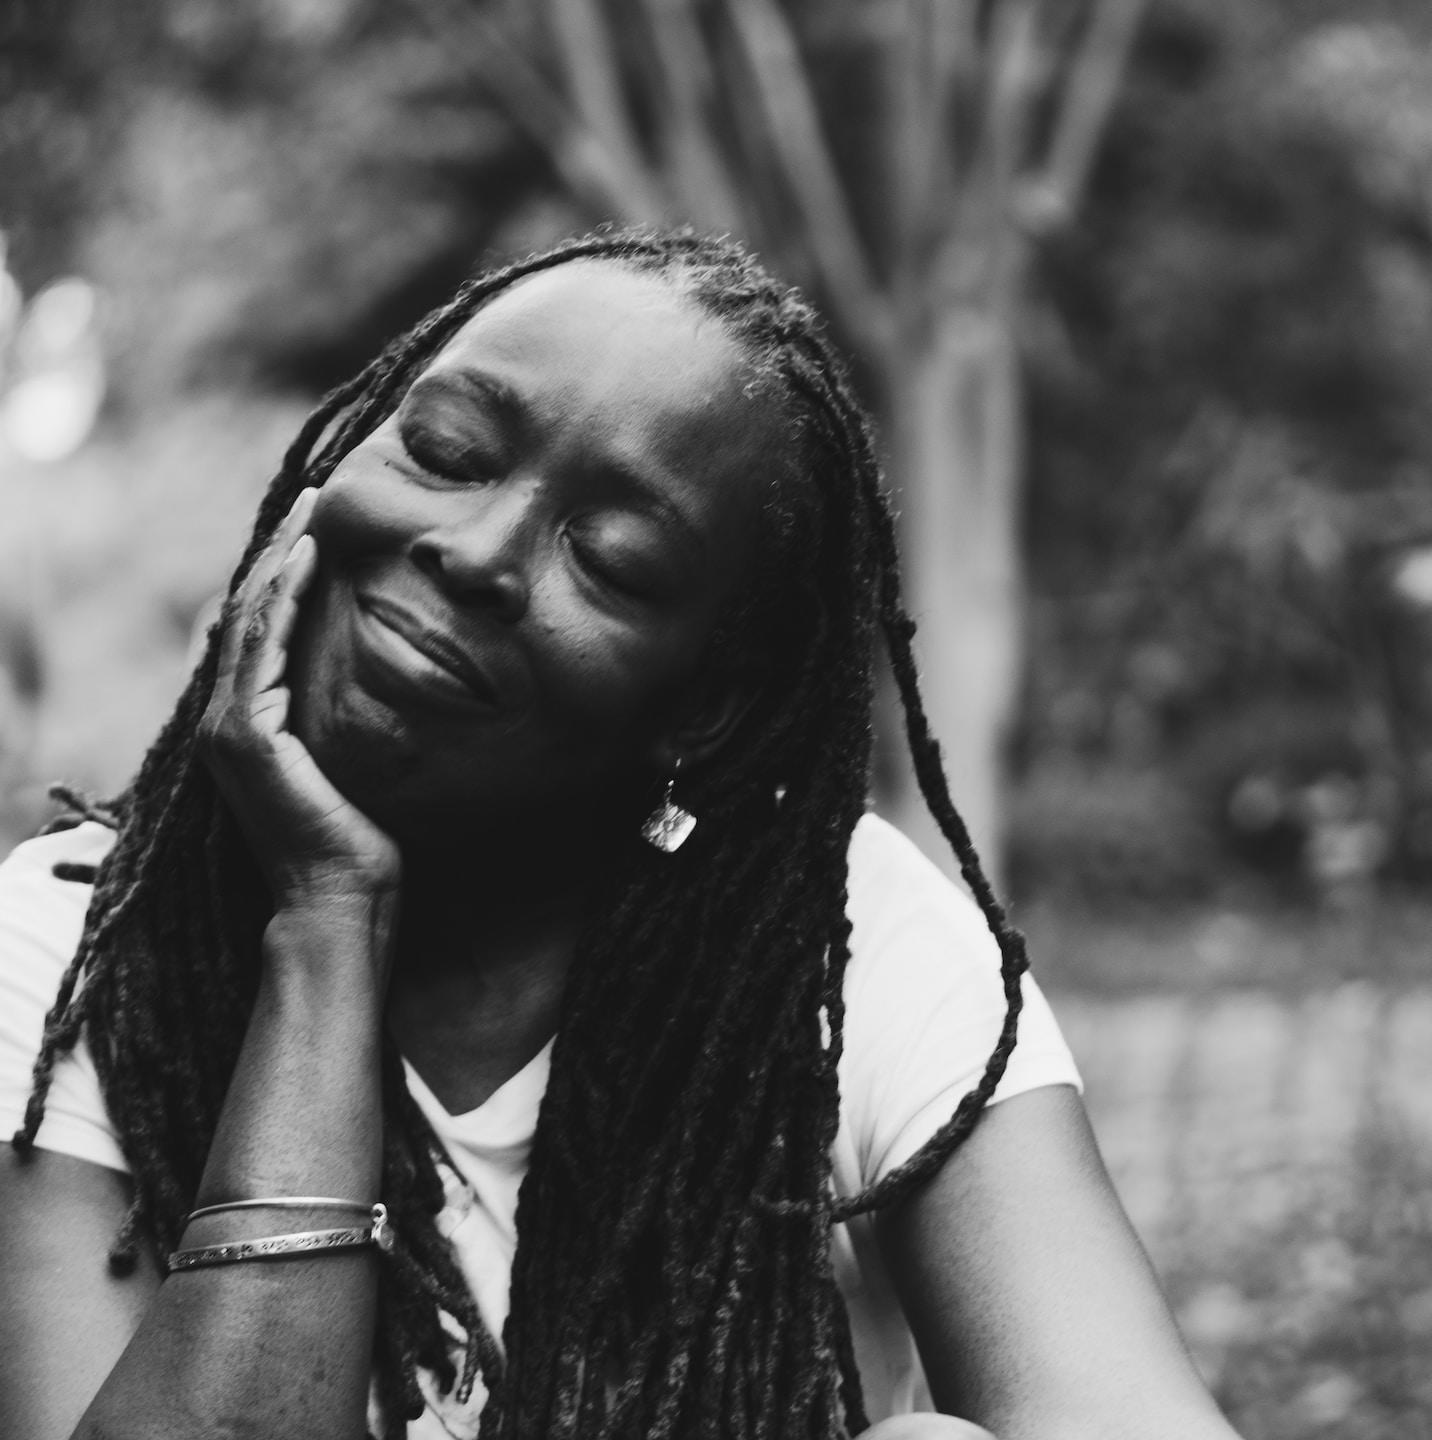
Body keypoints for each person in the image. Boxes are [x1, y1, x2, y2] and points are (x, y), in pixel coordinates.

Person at [0, 230, 1242, 1440]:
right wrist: (325, 926)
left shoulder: (840, 937)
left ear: (698, 710)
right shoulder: (66, 940)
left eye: (608, 560)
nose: (474, 550)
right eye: (442, 449)